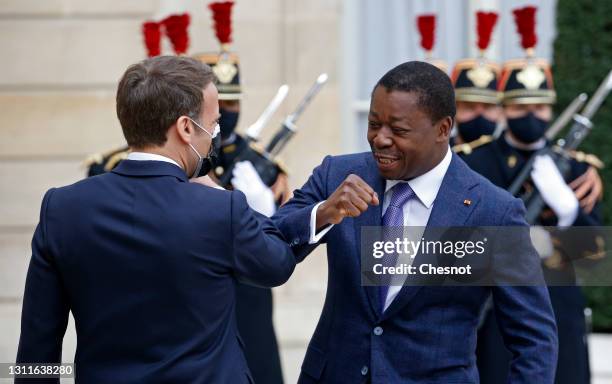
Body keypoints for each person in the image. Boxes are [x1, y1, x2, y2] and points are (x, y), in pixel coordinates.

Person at [272, 61, 558, 383]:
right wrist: (323, 212)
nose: (380, 139)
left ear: (442, 129)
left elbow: (534, 339)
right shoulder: (337, 176)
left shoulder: (493, 212)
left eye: (399, 130)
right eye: (373, 124)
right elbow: (267, 243)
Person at [16, 56, 295, 383]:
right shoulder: (220, 208)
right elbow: (277, 264)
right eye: (214, 125)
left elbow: (37, 351)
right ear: (186, 128)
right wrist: (237, 201)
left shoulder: (61, 208)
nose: (215, 136)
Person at [458, 7, 603, 384]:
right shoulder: (476, 161)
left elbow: (596, 258)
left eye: (539, 108)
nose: (531, 115)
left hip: (558, 308)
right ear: (504, 110)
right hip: (495, 313)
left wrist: (568, 216)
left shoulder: (575, 170)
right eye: (521, 107)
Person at [192, 2, 290, 383]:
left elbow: (276, 242)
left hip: (248, 296)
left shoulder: (261, 165)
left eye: (233, 102)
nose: (227, 111)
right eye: (219, 103)